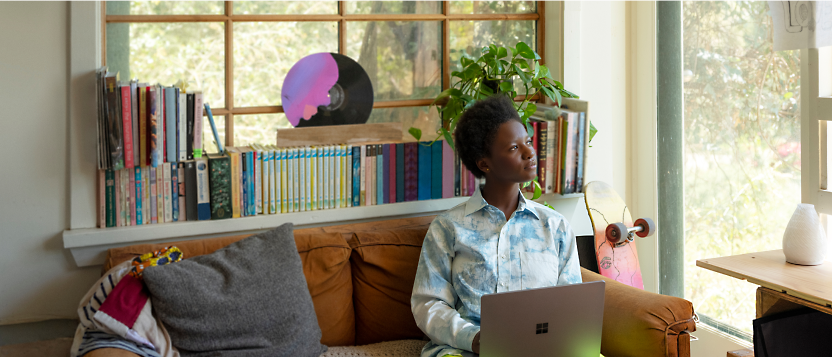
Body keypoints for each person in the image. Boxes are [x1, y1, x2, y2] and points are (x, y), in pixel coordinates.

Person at [410, 95, 582, 357]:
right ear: (484, 164)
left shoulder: (556, 227)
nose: (529, 152)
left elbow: (572, 306)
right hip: (466, 350)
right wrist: (474, 338)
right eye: (514, 148)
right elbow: (428, 304)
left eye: (527, 141)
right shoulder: (448, 228)